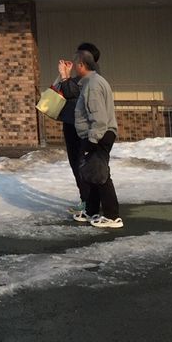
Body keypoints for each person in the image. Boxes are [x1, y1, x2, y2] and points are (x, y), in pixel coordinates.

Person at [73, 48, 122, 229]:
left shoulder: (93, 85)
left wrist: (92, 140)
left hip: (99, 134)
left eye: (76, 64)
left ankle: (112, 215)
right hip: (97, 133)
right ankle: (92, 210)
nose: (74, 68)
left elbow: (99, 118)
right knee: (90, 173)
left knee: (100, 175)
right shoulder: (91, 82)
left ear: (82, 65)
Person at [53, 41, 100, 217]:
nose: (76, 58)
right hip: (71, 123)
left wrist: (65, 76)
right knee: (75, 162)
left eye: (79, 55)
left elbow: (72, 92)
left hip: (83, 127)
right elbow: (61, 91)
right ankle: (86, 200)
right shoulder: (80, 76)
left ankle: (90, 202)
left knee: (83, 163)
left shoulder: (92, 77)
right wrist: (65, 76)